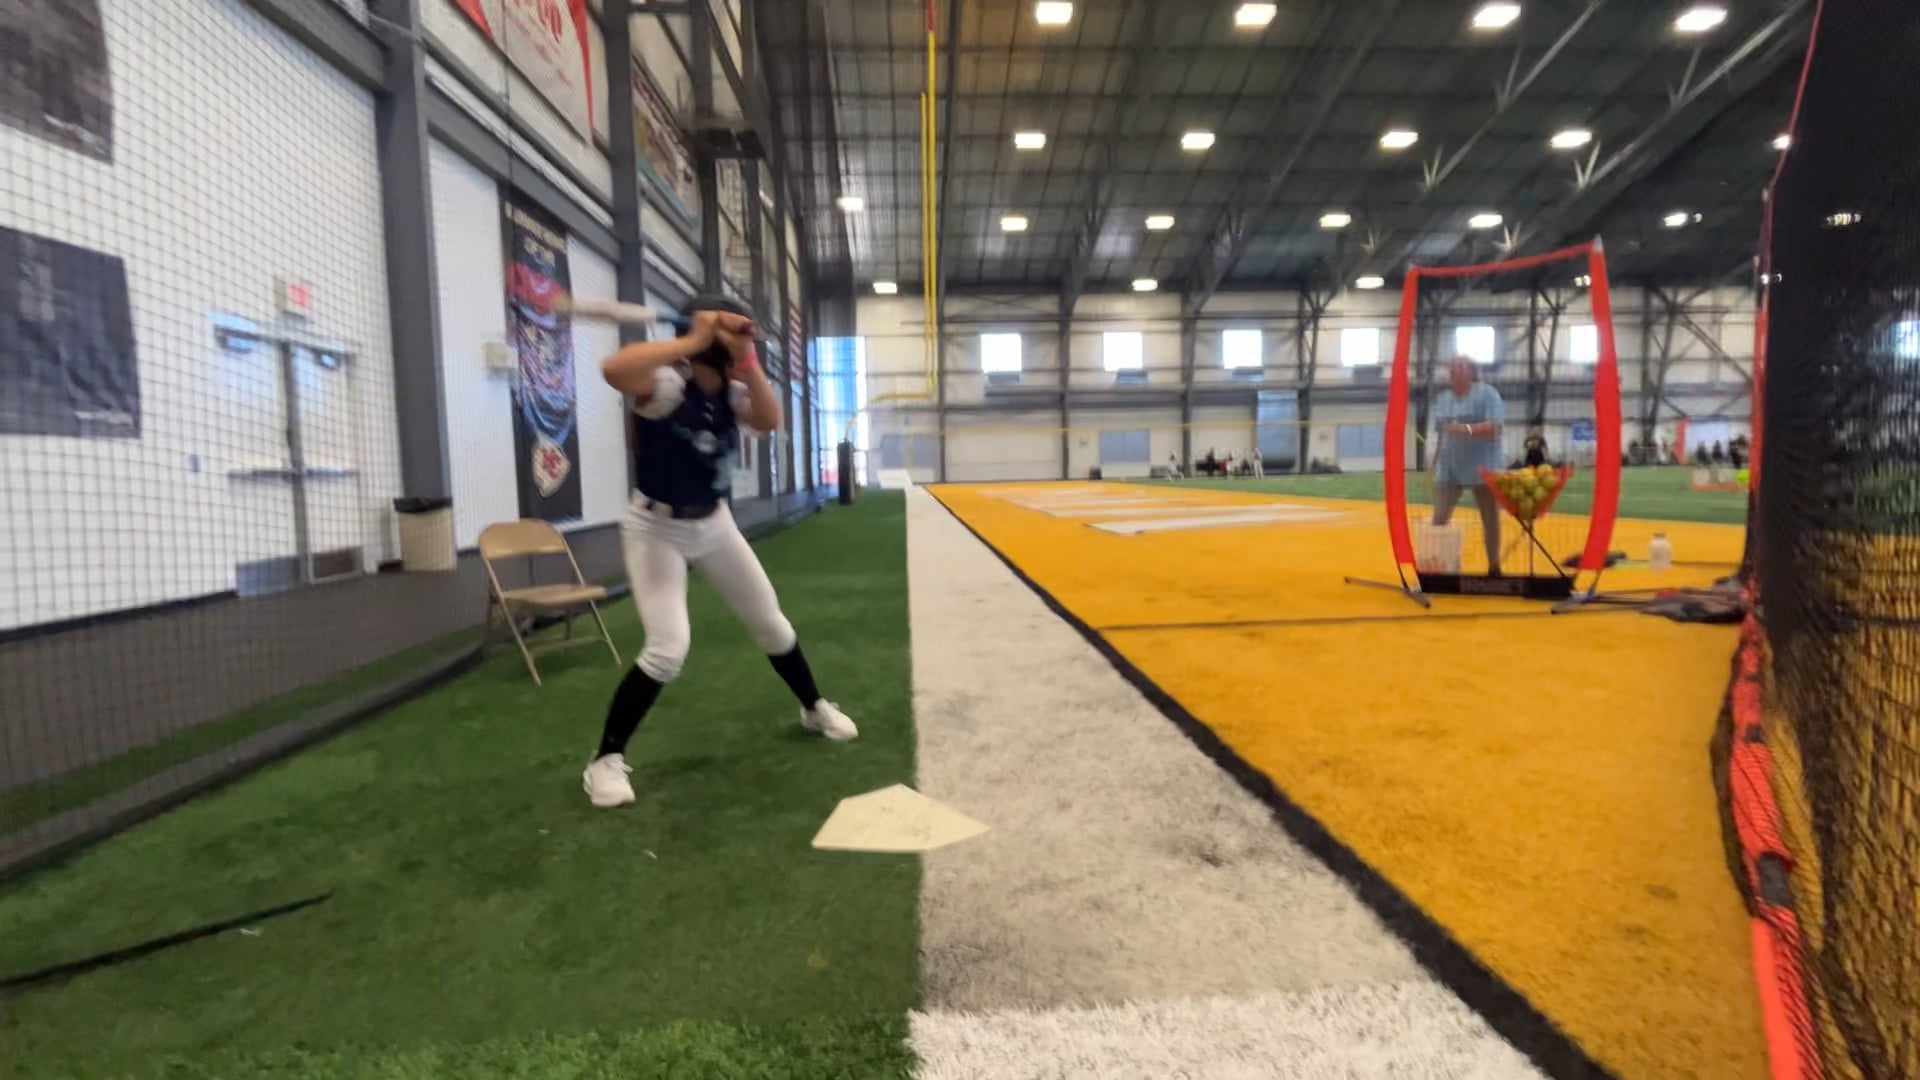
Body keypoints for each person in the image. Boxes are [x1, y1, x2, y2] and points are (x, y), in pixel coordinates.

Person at [582, 296, 857, 809]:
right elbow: (614, 370)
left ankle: (813, 707)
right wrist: (695, 338)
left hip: (713, 521)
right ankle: (605, 761)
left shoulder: (732, 392)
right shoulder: (667, 384)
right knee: (668, 648)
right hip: (656, 527)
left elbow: (770, 419)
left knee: (771, 624)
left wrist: (747, 358)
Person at [1430, 358, 1505, 575]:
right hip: (1450, 468)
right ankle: (1440, 567)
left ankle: (1494, 567)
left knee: (1490, 518)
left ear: (1471, 372)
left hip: (1483, 467)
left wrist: (1465, 429)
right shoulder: (1443, 399)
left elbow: (1495, 428)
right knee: (1439, 519)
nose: (1455, 371)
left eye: (1461, 367)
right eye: (1452, 368)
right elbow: (1442, 433)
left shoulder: (1488, 394)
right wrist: (1434, 464)